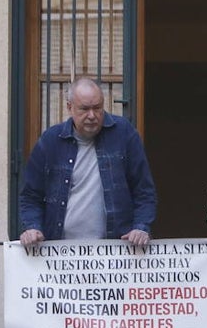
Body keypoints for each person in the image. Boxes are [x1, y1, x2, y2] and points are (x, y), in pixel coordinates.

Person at [19, 77, 157, 247]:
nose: (92, 115)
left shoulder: (124, 134)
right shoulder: (51, 141)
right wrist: (33, 228)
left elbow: (144, 190)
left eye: (97, 108)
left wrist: (141, 227)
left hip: (116, 251)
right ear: (70, 107)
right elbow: (31, 195)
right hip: (60, 253)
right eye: (84, 109)